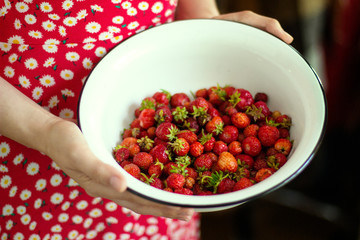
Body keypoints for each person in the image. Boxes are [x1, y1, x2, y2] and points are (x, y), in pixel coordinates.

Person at [0, 0, 293, 239]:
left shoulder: (173, 172)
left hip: (153, 190)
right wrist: (45, 131)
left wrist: (203, 24)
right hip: (27, 151)